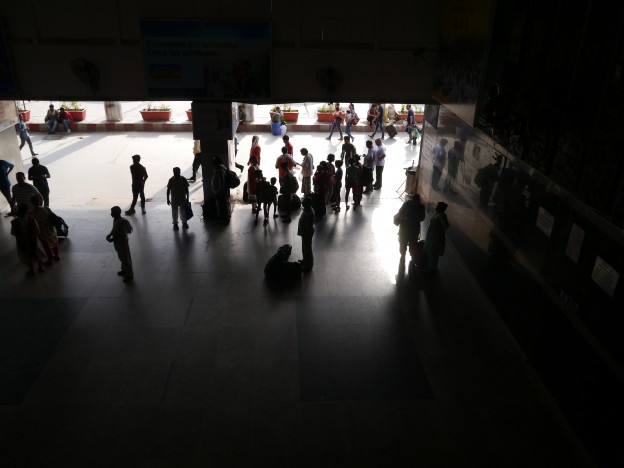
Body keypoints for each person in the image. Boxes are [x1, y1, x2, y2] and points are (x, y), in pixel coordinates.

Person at [11, 202, 45, 275]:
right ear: (27, 211)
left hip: (22, 241)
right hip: (33, 239)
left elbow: (13, 233)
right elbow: (37, 230)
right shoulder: (31, 219)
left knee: (26, 256)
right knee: (37, 253)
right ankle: (41, 267)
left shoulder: (15, 222)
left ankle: (32, 270)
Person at [106, 206, 134, 283]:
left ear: (116, 213)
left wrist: (112, 239)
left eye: (112, 212)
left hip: (122, 242)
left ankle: (129, 275)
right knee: (122, 257)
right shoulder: (116, 219)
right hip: (118, 242)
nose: (111, 213)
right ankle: (124, 270)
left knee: (125, 258)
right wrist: (110, 234)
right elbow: (114, 229)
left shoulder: (121, 222)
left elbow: (121, 235)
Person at [29, 194, 60, 263]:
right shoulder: (46, 208)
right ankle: (57, 256)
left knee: (46, 246)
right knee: (54, 243)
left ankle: (50, 259)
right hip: (51, 229)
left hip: (42, 232)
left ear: (31, 203)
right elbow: (53, 217)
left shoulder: (31, 213)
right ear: (39, 201)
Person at [397, 194, 426, 264]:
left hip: (406, 228)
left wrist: (406, 217)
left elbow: (400, 212)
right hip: (413, 229)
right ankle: (410, 255)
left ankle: (403, 254)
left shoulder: (407, 204)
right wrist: (415, 218)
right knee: (412, 243)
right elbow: (422, 218)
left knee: (404, 242)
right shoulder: (421, 207)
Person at [423, 202, 450, 272]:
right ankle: (429, 266)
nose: (436, 208)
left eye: (437, 207)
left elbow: (446, 226)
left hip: (436, 236)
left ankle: (432, 268)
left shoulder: (442, 215)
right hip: (431, 235)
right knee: (430, 250)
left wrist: (439, 231)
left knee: (434, 253)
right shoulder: (437, 213)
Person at [297, 196, 315, 272]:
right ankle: (305, 260)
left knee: (307, 249)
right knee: (304, 248)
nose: (302, 203)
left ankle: (309, 265)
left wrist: (304, 233)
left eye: (303, 202)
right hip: (305, 232)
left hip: (306, 233)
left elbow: (308, 226)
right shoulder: (307, 209)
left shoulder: (309, 213)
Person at [211, 156, 230, 223]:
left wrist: (219, 192)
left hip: (220, 191)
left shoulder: (219, 170)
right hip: (222, 191)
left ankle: (224, 219)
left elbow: (221, 182)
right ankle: (225, 218)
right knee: (223, 204)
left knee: (222, 205)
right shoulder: (222, 167)